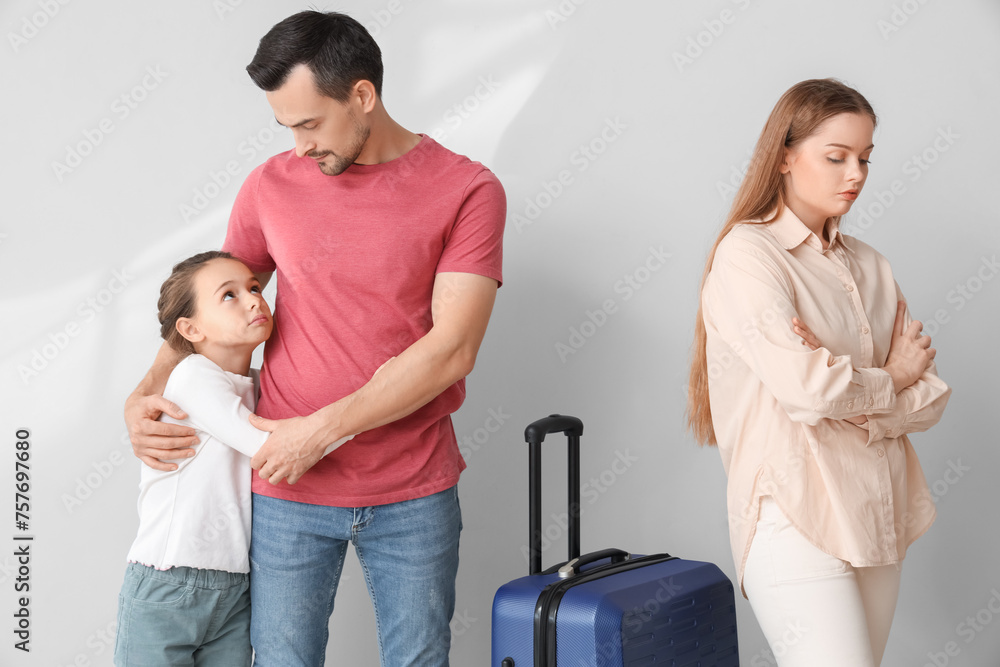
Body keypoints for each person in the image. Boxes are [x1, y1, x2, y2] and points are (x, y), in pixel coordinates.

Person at [123, 11, 505, 667]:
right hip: (286, 495)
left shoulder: (467, 190)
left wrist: (318, 431)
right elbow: (208, 302)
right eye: (286, 127)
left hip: (412, 488)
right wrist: (144, 393)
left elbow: (452, 350)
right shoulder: (271, 186)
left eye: (309, 123)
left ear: (363, 96)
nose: (298, 146)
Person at [686, 79, 951, 666]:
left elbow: (933, 395)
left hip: (876, 512)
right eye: (836, 157)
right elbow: (809, 391)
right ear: (784, 155)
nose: (854, 174)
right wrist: (890, 377)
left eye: (865, 158)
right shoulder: (748, 256)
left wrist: (875, 390)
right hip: (794, 514)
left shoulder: (871, 266)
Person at [116, 252, 355, 665]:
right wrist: (369, 408)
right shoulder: (193, 377)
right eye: (228, 295)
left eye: (254, 287)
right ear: (190, 328)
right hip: (168, 582)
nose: (252, 300)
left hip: (233, 588)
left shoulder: (257, 385)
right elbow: (275, 450)